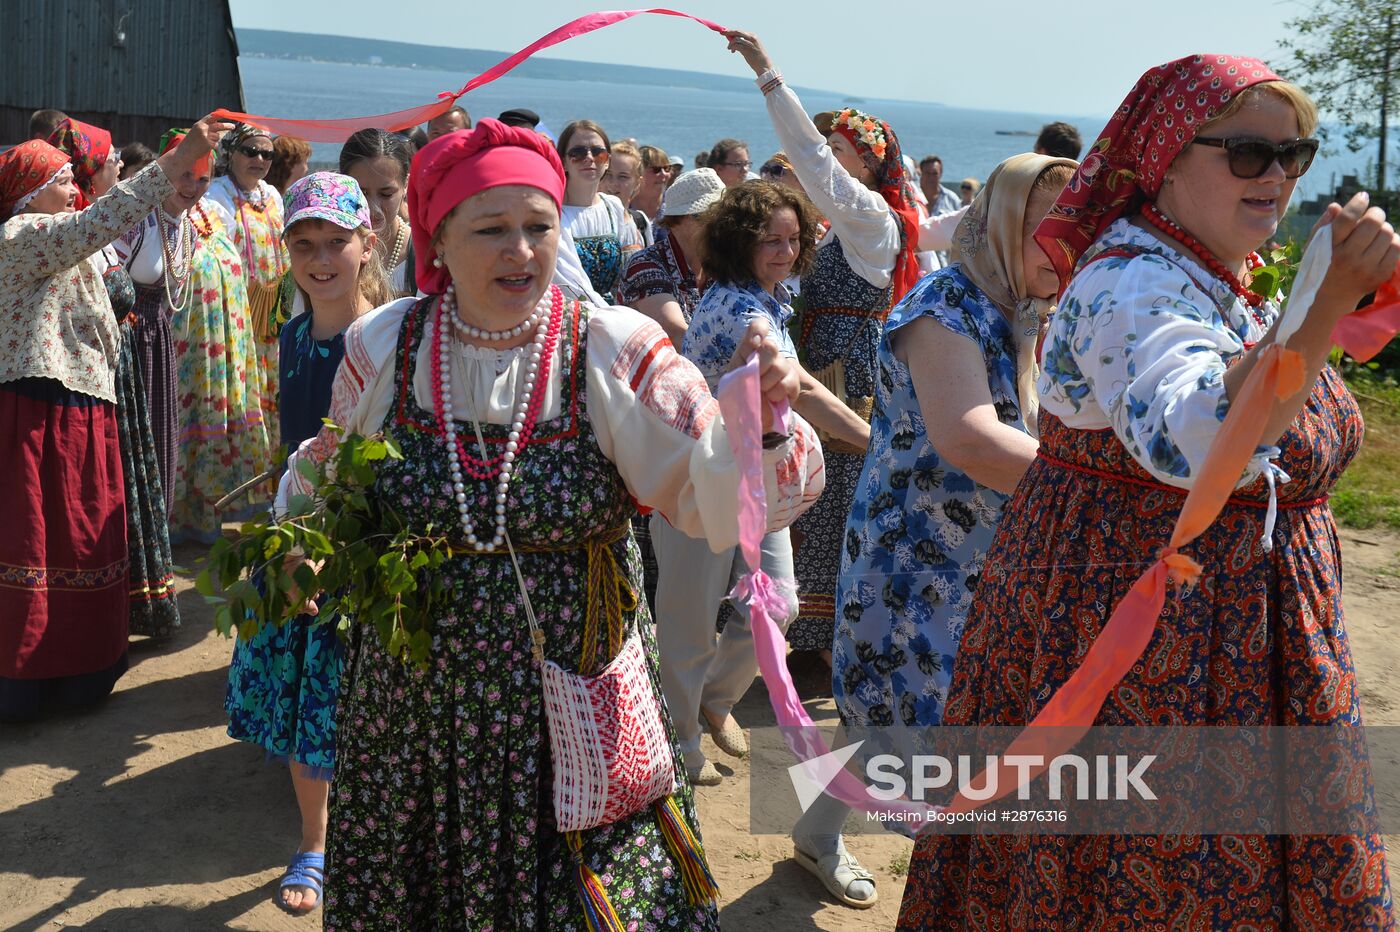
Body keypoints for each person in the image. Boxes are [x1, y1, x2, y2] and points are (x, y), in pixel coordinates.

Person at [270, 118, 822, 929]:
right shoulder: (385, 342)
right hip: (418, 705)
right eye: (491, 229)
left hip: (573, 696)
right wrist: (302, 546)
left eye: (538, 227)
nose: (520, 251)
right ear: (438, 238)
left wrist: (761, 419)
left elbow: (709, 497)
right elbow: (332, 470)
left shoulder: (611, 347)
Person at [899, 55, 1396, 929]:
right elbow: (1202, 441)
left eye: (1295, 155)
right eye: (1248, 153)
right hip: (1149, 647)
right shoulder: (1132, 278)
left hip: (1227, 636)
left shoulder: (1208, 274)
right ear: (1167, 158)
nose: (1277, 175)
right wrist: (1319, 307)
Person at [664, 178, 872, 904]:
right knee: (687, 623)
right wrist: (871, 439)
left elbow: (798, 387)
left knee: (776, 607)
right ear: (739, 244)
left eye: (794, 239)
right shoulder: (742, 308)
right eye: (770, 240)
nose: (786, 252)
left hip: (754, 487)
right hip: (701, 480)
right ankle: (680, 749)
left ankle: (712, 705)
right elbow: (802, 389)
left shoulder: (767, 303)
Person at [834, 153, 1074, 734]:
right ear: (1004, 224)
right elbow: (970, 438)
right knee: (922, 712)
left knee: (901, 713)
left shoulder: (1021, 305)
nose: (1067, 252)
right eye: (1048, 233)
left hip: (979, 544)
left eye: (1076, 234)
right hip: (917, 552)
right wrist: (1090, 490)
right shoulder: (944, 309)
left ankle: (814, 827)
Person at [0, 117, 227, 721]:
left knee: (78, 531)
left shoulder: (56, 235)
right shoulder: (26, 233)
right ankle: (32, 677)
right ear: (28, 194)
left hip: (80, 403)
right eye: (58, 179)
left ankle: (77, 672)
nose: (72, 187)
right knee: (48, 536)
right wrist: (185, 158)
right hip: (46, 407)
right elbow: (108, 216)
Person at [727, 29, 921, 658]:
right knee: (820, 490)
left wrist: (767, 74)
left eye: (840, 151)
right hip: (823, 361)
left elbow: (806, 158)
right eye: (829, 149)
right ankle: (812, 632)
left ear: (865, 166)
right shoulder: (846, 225)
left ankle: (824, 636)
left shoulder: (870, 220)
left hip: (846, 373)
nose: (826, 160)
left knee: (835, 490)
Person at [226, 172, 387, 916]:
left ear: (368, 245)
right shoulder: (291, 333)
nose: (321, 258)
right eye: (305, 243)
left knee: (356, 692)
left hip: (362, 539)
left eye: (336, 242)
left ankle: (353, 827)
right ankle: (315, 839)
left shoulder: (386, 338)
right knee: (305, 691)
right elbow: (295, 439)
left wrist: (333, 538)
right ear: (286, 250)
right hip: (293, 529)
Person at [49, 118, 182, 642]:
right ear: (89, 171)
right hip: (91, 384)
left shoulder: (91, 229)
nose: (119, 165)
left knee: (129, 486)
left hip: (118, 377)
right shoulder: (70, 237)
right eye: (109, 161)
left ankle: (136, 604)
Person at [119, 129, 272, 545]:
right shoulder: (138, 222)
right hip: (165, 347)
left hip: (213, 355)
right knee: (158, 437)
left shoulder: (208, 215)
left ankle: (194, 523)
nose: (193, 187)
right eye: (184, 175)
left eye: (202, 179)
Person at [208, 124, 289, 427]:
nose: (260, 159)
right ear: (230, 153)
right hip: (238, 307)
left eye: (267, 153)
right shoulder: (217, 194)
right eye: (251, 151)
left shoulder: (272, 195)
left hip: (272, 309)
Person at [616, 167, 721, 346]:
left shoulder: (721, 263)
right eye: (708, 215)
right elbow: (676, 334)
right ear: (677, 221)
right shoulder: (645, 266)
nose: (719, 221)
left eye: (723, 214)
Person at [557, 119, 643, 301]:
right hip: (565, 317)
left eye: (598, 152)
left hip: (612, 315)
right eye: (577, 153)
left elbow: (630, 271)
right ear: (563, 162)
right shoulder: (552, 212)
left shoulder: (613, 207)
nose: (589, 157)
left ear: (607, 161)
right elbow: (566, 282)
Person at [339, 128, 415, 296]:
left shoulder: (426, 256)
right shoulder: (327, 249)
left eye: (386, 194)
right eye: (362, 193)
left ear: (406, 185)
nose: (373, 206)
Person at [601, 139, 652, 244]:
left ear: (637, 182)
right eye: (607, 174)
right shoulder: (590, 220)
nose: (613, 182)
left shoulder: (641, 221)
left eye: (623, 177)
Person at [633, 144, 671, 224]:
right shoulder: (623, 205)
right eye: (656, 169)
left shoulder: (674, 204)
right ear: (639, 172)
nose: (664, 174)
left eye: (666, 168)